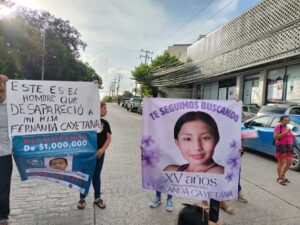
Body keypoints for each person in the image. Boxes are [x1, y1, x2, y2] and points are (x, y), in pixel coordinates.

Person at [77, 101, 112, 209]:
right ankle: (82, 199)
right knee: (85, 175)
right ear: (98, 109)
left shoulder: (105, 123)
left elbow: (109, 138)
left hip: (99, 154)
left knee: (96, 175)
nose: (106, 111)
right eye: (104, 108)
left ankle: (97, 198)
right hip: (87, 154)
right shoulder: (86, 122)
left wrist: (102, 149)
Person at [0, 74, 12, 225]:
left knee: (3, 185)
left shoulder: (12, 107)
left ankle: (3, 215)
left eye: (1, 90)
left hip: (5, 152)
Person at [274, 116, 299, 185]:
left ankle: (282, 174)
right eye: (285, 120)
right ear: (281, 121)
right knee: (281, 163)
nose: (287, 122)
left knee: (290, 162)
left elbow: (293, 136)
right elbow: (276, 137)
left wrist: (298, 144)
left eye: (288, 120)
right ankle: (280, 178)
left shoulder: (290, 127)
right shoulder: (278, 127)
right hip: (281, 146)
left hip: (289, 146)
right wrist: (286, 132)